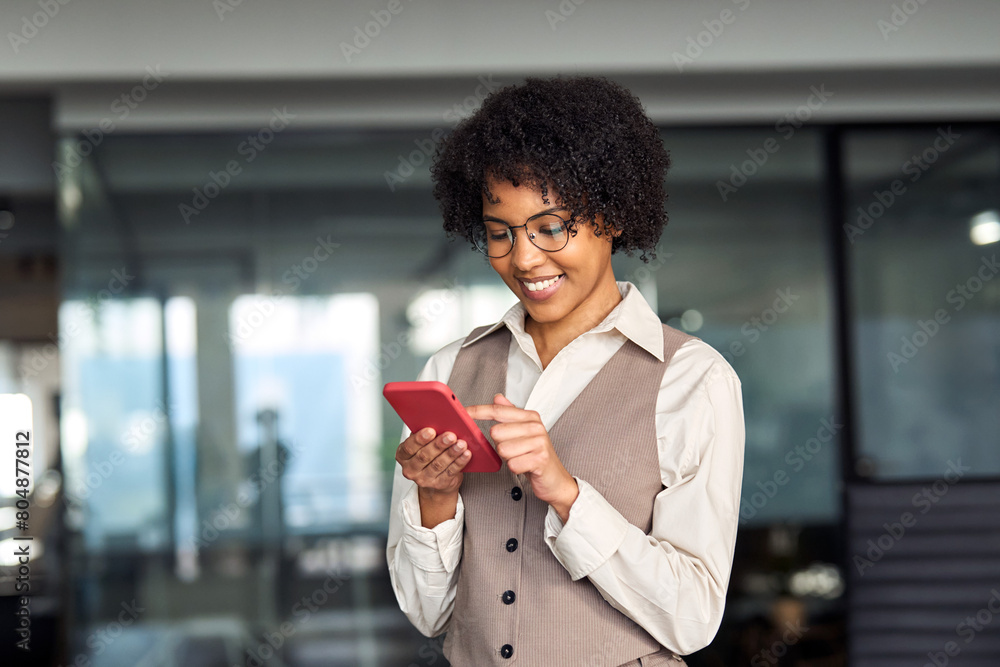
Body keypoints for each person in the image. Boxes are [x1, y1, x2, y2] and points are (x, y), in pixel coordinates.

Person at [385, 75, 745, 666]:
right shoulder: (450, 367)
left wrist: (568, 494)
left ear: (614, 214)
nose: (524, 259)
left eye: (551, 227)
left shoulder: (691, 379)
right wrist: (436, 498)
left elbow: (692, 619)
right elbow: (429, 614)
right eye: (500, 234)